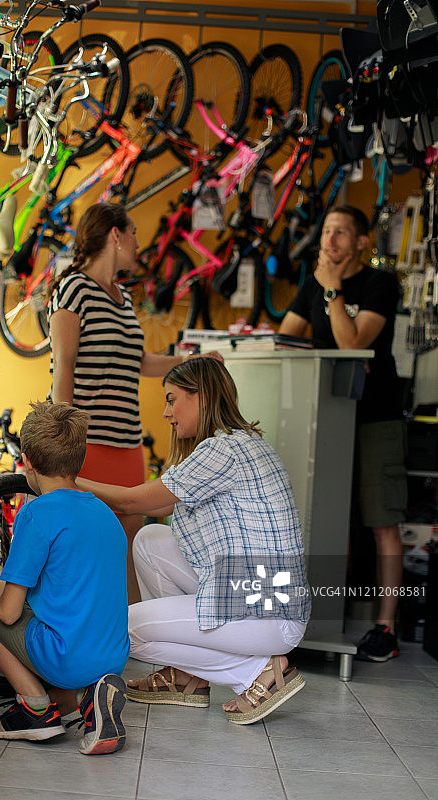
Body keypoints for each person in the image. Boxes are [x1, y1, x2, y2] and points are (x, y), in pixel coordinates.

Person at [76, 357, 310, 724]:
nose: (167, 412)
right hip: (263, 592)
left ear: (200, 396)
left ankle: (258, 672)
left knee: (122, 629)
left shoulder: (222, 451)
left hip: (265, 609)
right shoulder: (239, 443)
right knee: (150, 541)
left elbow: (130, 501)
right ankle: (187, 677)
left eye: (172, 399)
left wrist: (62, 479)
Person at [47, 202, 200, 603]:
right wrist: (64, 440)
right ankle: (83, 637)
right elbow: (62, 366)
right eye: (132, 231)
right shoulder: (74, 289)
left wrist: (188, 362)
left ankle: (130, 638)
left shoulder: (124, 297)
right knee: (84, 544)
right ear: (115, 235)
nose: (137, 241)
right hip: (88, 442)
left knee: (130, 548)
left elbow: (139, 360)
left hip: (127, 444)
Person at [279, 204, 406, 662]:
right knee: (328, 517)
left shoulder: (379, 284)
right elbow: (286, 338)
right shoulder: (313, 284)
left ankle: (385, 627)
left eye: (340, 233)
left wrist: (332, 292)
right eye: (326, 230)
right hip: (324, 418)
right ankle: (319, 618)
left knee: (381, 520)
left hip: (374, 418)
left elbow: (355, 344)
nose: (329, 240)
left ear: (360, 242)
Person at [0, 401, 130, 755]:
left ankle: (35, 710)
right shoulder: (106, 514)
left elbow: (9, 613)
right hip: (112, 658)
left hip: (66, 658)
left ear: (26, 460)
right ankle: (89, 700)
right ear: (79, 460)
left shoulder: (36, 514)